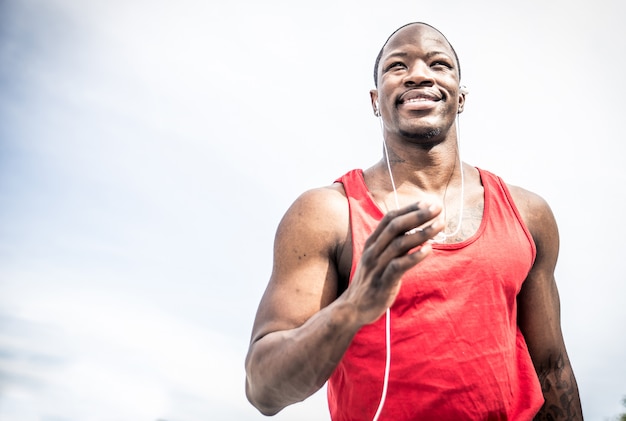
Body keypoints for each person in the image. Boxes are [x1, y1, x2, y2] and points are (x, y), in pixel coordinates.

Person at [244, 21, 583, 420]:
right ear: (375, 100)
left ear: (461, 97)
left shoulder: (528, 213)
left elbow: (551, 367)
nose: (419, 74)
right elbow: (263, 390)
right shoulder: (327, 213)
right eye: (397, 66)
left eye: (439, 64)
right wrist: (352, 307)